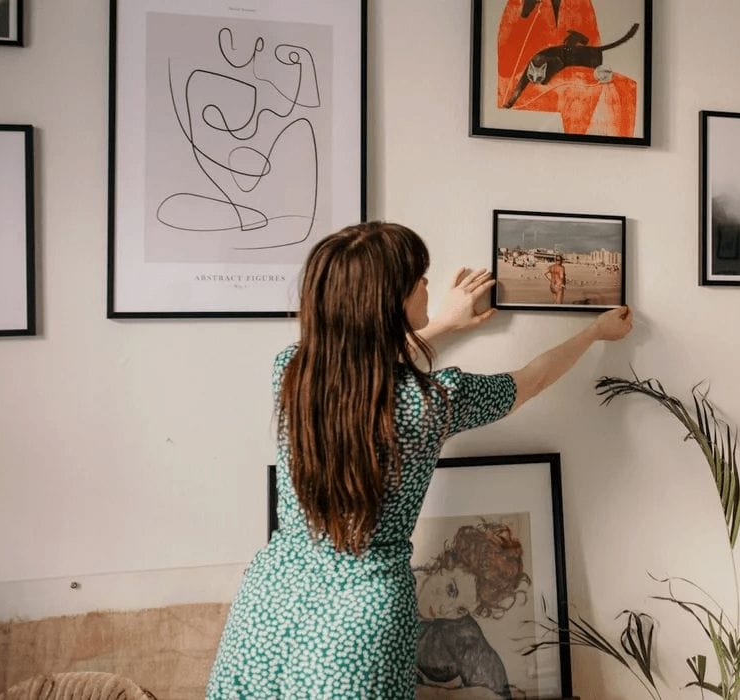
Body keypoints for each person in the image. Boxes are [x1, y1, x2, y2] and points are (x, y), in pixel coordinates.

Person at [206, 222, 633, 698]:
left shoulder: (292, 371)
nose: (428, 284)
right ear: (392, 302)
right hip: (360, 618)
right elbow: (529, 380)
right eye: (420, 279)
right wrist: (594, 332)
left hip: (270, 601)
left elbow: (359, 366)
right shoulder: (431, 401)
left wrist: (441, 325)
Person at [414, 520, 528, 698]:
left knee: (465, 631)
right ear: (445, 564)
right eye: (451, 590)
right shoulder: (389, 593)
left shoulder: (456, 629)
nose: (445, 610)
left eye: (461, 609)